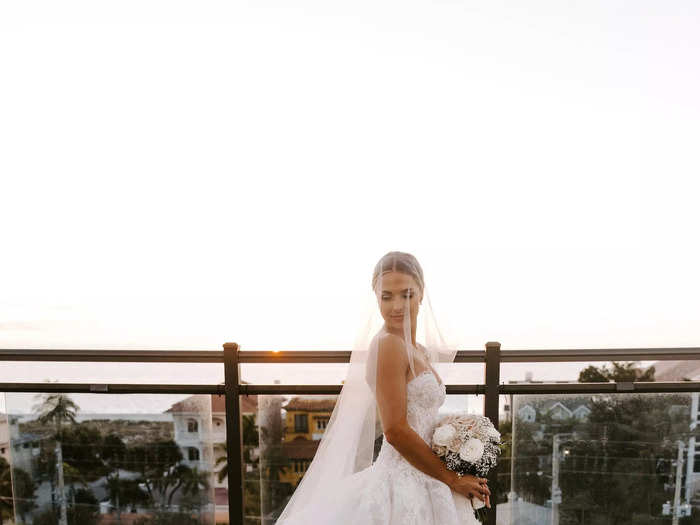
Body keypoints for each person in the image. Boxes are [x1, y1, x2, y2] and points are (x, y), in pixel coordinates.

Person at [275, 251, 490, 524]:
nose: (396, 306)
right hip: (402, 481)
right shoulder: (388, 344)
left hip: (426, 473)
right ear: (376, 297)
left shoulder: (417, 349)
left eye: (406, 295)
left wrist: (459, 434)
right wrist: (452, 479)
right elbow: (395, 431)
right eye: (386, 296)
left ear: (421, 294)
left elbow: (419, 417)